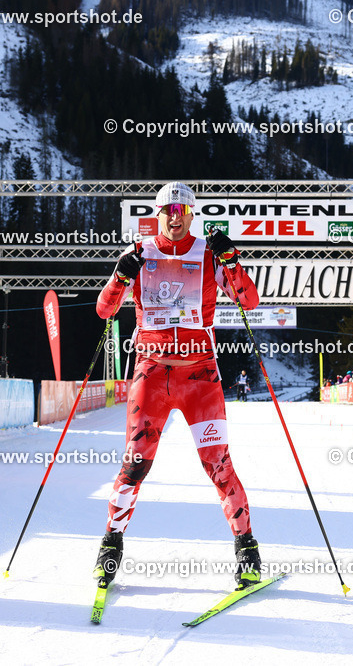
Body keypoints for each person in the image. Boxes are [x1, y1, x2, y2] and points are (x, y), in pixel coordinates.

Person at [92, 181, 264, 592]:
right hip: (151, 375)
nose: (174, 216)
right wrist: (120, 277)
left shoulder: (208, 253)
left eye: (182, 210)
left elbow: (250, 302)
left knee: (218, 466)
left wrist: (233, 260)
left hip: (200, 378)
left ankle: (247, 550)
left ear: (191, 215)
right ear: (158, 214)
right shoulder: (138, 254)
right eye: (167, 209)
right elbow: (104, 309)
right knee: (135, 464)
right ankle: (110, 546)